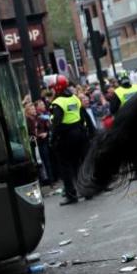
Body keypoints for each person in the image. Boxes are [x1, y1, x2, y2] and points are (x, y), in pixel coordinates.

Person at [49, 75, 87, 206]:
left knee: (65, 166)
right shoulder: (75, 98)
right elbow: (82, 116)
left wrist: (52, 139)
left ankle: (71, 195)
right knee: (79, 164)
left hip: (66, 136)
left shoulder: (58, 102)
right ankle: (85, 190)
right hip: (79, 133)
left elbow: (56, 124)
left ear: (57, 87)